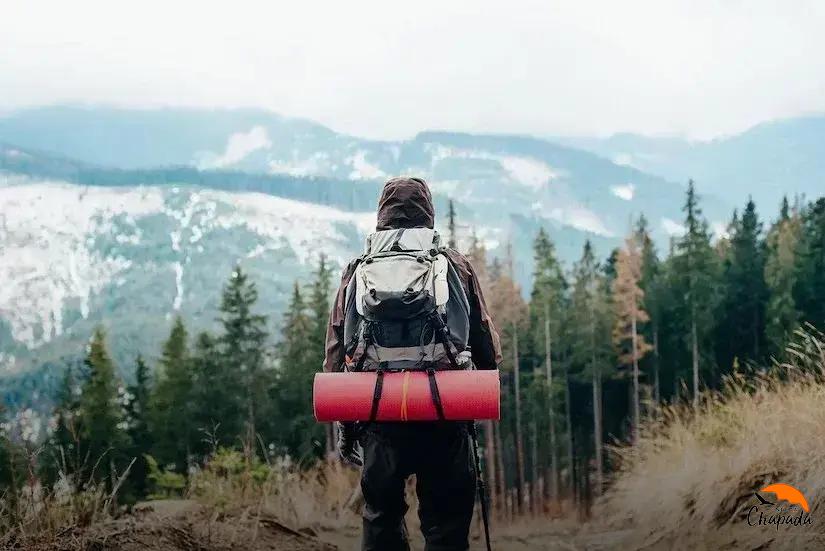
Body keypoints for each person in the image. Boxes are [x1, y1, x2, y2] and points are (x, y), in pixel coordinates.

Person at [323, 176, 502, 551]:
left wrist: (346, 424)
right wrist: (474, 389)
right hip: (444, 413)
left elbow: (337, 350)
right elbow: (485, 343)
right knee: (446, 522)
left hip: (379, 411)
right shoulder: (453, 264)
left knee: (381, 516)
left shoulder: (358, 269)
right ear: (428, 214)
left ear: (381, 216)